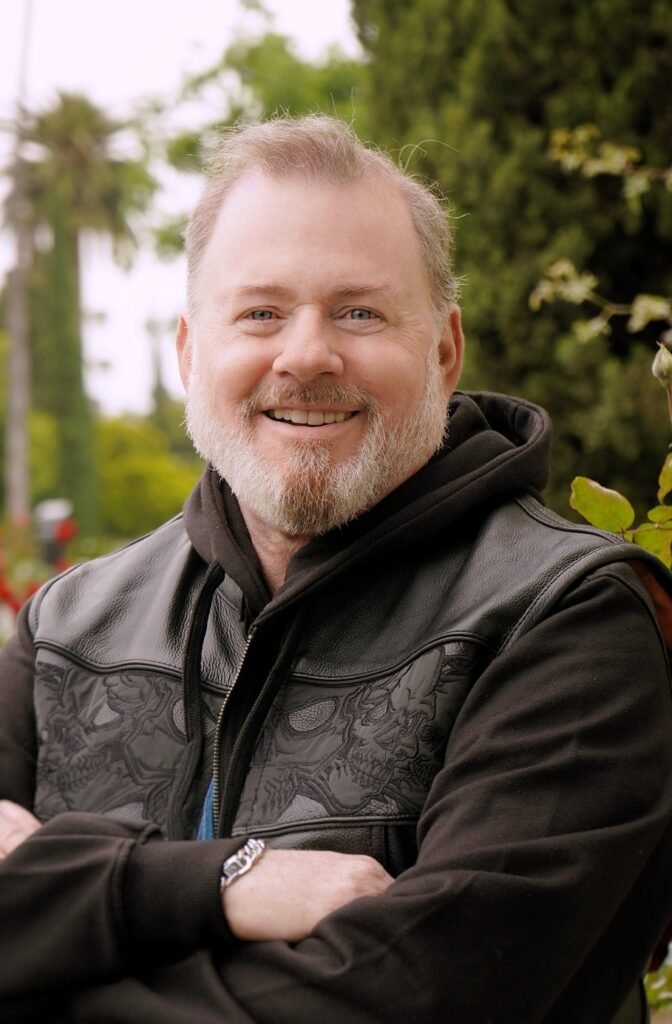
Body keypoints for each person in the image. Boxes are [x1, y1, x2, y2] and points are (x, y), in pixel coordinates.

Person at [1, 115, 672, 1024]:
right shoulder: (68, 629)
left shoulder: (567, 618)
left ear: (444, 351)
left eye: (359, 312)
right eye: (260, 313)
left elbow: (419, 998)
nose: (307, 355)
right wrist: (214, 884)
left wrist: (49, 930)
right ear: (191, 352)